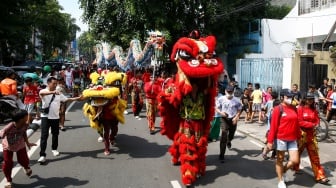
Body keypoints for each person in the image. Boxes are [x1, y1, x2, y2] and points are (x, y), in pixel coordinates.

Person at [37, 77, 82, 164]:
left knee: (55, 134)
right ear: (48, 83)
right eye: (53, 83)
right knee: (44, 136)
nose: (55, 85)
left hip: (55, 117)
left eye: (56, 84)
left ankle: (54, 149)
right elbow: (42, 94)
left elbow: (66, 99)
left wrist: (77, 98)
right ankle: (42, 155)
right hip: (45, 117)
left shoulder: (58, 93)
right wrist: (53, 92)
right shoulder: (43, 91)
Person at [267, 89, 300, 188]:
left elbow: (297, 124)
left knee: (295, 160)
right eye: (288, 97)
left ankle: (283, 171)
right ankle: (281, 180)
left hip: (292, 139)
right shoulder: (278, 109)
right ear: (282, 97)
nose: (290, 99)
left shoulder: (294, 108)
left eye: (291, 97)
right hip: (281, 138)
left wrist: (298, 136)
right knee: (280, 159)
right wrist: (270, 141)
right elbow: (273, 126)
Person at [293, 93, 329, 184]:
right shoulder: (300, 108)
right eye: (308, 99)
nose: (310, 101)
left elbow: (317, 120)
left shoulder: (314, 109)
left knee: (315, 157)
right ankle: (295, 167)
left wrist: (316, 125)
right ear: (305, 99)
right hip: (301, 135)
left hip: (311, 136)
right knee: (298, 152)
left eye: (312, 99)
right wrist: (312, 125)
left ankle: (320, 176)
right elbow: (300, 122)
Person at [0, 109, 37, 188]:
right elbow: (2, 134)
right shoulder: (10, 126)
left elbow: (24, 133)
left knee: (23, 160)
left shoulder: (25, 124)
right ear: (21, 119)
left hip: (20, 144)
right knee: (8, 163)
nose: (28, 117)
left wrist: (27, 143)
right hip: (8, 146)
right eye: (26, 116)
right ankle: (8, 180)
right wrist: (2, 135)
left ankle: (26, 167)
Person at [216, 85, 242, 162]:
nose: (229, 93)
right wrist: (221, 113)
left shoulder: (237, 100)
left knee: (231, 135)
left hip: (233, 119)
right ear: (225, 91)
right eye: (228, 92)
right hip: (224, 119)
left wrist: (236, 117)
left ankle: (229, 140)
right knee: (224, 135)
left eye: (231, 92)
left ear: (233, 92)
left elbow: (239, 110)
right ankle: (222, 154)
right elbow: (217, 108)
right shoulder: (221, 99)